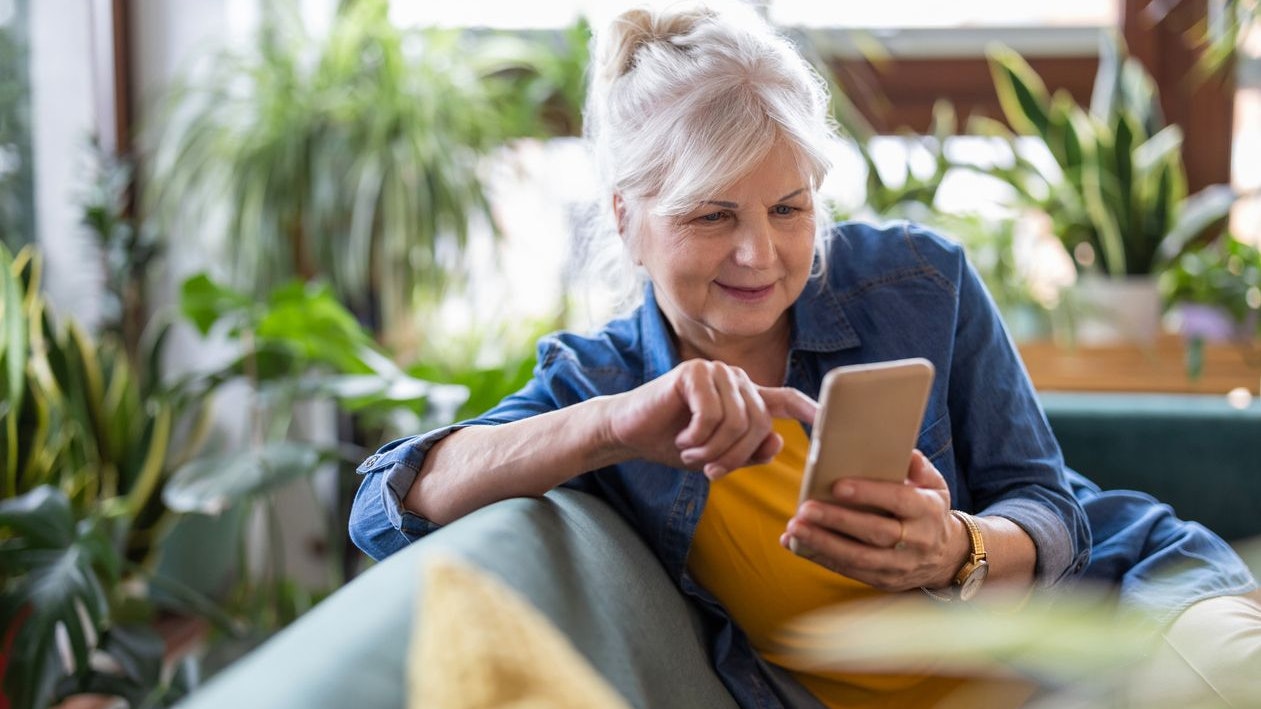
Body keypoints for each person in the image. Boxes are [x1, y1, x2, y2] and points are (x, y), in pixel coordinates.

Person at [349, 2, 1259, 707]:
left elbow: (1052, 505)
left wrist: (957, 550)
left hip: (1119, 615)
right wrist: (616, 424)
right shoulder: (607, 384)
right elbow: (386, 505)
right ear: (626, 218)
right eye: (712, 214)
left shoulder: (915, 281)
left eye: (789, 208)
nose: (761, 255)